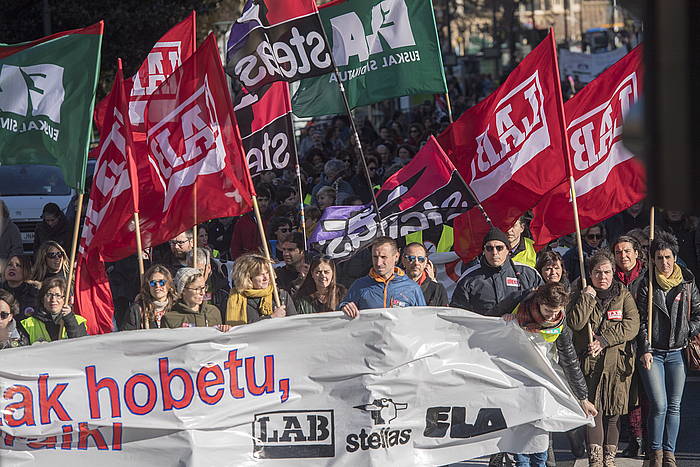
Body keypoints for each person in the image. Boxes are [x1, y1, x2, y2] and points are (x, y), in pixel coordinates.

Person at [497, 282, 598, 467]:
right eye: (547, 310)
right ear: (538, 302)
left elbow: (570, 361)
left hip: (542, 383)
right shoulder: (519, 305)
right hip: (516, 382)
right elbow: (486, 322)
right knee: (520, 437)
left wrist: (583, 398)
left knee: (540, 435)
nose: (551, 316)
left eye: (556, 311)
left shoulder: (560, 325)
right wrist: (503, 319)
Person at [567, 250, 640, 467]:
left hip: (617, 364)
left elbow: (632, 324)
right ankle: (595, 461)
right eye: (598, 272)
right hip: (590, 363)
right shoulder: (580, 292)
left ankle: (610, 460)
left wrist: (605, 339)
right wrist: (587, 298)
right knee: (593, 411)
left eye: (607, 272)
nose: (603, 277)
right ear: (590, 274)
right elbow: (575, 323)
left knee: (614, 413)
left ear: (613, 272)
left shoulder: (623, 294)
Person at [635, 231, 700, 467]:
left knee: (674, 405)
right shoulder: (646, 283)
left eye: (668, 257)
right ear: (653, 259)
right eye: (660, 258)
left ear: (675, 258)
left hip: (678, 352)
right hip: (653, 353)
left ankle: (670, 455)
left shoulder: (687, 281)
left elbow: (698, 314)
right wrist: (645, 348)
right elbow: (640, 320)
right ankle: (656, 453)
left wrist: (687, 331)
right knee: (659, 404)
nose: (664, 263)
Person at [610, 235, 647, 459]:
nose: (623, 256)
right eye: (618, 252)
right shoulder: (609, 277)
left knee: (646, 394)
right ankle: (635, 439)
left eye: (627, 251)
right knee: (627, 394)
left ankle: (647, 438)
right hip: (619, 342)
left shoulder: (647, 276)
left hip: (645, 341)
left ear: (636, 253)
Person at [451, 227, 543, 316]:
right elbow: (458, 314)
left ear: (508, 250)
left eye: (499, 248)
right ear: (483, 251)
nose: (494, 253)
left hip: (520, 330)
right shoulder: (469, 278)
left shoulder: (528, 273)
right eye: (489, 248)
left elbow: (545, 304)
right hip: (483, 330)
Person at [340, 237, 426, 318]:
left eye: (383, 257)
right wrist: (343, 307)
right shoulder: (359, 285)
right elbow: (339, 318)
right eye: (375, 257)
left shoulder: (412, 288)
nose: (378, 263)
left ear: (396, 256)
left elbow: (424, 320)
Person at [225, 254, 296, 325]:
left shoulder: (281, 295)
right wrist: (272, 317)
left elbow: (294, 323)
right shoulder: (237, 299)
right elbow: (246, 326)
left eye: (267, 273)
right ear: (248, 277)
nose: (266, 278)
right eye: (260, 274)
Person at [21, 278, 88, 343]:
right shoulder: (28, 323)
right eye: (49, 295)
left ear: (65, 299)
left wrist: (69, 319)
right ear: (42, 299)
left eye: (58, 295)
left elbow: (80, 344)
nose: (53, 299)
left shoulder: (78, 321)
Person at [162, 268, 226, 329]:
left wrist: (225, 330)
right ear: (183, 290)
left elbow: (220, 339)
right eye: (197, 289)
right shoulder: (170, 318)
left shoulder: (213, 312)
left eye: (203, 288)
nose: (202, 293)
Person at [120, 265, 176, 330]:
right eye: (153, 283)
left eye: (162, 282)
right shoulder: (137, 309)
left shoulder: (177, 307)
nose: (157, 286)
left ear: (169, 285)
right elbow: (127, 335)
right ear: (148, 286)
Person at [187, 247, 230, 322]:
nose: (196, 274)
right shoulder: (181, 288)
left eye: (200, 270)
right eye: (191, 270)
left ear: (208, 268)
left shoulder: (222, 288)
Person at [230, 185, 271, 259]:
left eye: (266, 200)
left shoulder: (270, 218)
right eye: (260, 200)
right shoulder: (243, 221)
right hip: (247, 260)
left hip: (265, 259)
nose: (264, 203)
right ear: (253, 201)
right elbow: (236, 245)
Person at [401, 242, 448, 306]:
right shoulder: (393, 286)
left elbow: (443, 314)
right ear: (403, 260)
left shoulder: (437, 289)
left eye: (421, 259)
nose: (416, 263)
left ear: (426, 261)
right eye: (411, 258)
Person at [1, 255, 40, 322]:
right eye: (9, 265)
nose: (12, 268)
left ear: (26, 270)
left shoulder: (35, 294)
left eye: (18, 265)